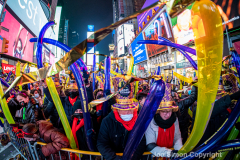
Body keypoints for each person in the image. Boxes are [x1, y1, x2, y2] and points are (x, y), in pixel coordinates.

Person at [97, 77, 146, 160]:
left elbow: (141, 142)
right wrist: (115, 158)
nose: (127, 112)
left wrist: (132, 158)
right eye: (124, 110)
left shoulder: (139, 121)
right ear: (117, 109)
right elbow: (102, 143)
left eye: (129, 109)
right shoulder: (107, 121)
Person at [145, 83, 182, 158]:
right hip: (155, 157)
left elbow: (177, 137)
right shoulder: (151, 121)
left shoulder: (175, 120)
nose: (167, 114)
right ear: (158, 111)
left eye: (169, 111)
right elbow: (150, 145)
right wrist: (169, 153)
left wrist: (180, 151)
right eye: (164, 111)